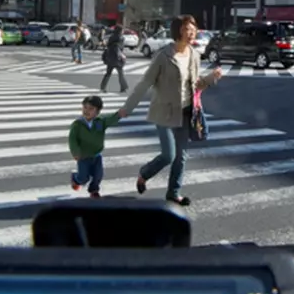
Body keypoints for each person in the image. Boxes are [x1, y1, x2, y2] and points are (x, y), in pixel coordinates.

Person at [118, 15, 223, 206]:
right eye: (187, 29)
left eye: (193, 29)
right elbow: (145, 83)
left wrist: (211, 78)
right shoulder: (163, 56)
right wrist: (128, 107)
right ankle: (144, 173)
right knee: (169, 155)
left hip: (185, 111)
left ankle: (173, 192)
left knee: (181, 157)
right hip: (164, 112)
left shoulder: (194, 55)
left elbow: (195, 84)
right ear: (178, 31)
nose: (192, 33)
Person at [69, 95, 123, 199]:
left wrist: (118, 115)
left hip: (96, 155)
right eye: (85, 107)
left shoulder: (100, 122)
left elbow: (110, 120)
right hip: (83, 157)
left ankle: (94, 190)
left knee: (98, 175)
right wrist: (75, 152)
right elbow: (72, 140)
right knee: (83, 178)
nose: (86, 111)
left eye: (91, 109)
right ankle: (75, 178)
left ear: (97, 112)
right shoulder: (77, 125)